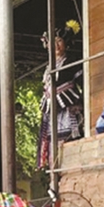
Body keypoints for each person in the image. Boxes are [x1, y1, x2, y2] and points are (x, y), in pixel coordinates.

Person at [38, 27, 84, 171]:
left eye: (59, 41)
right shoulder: (48, 66)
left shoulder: (71, 61)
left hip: (68, 107)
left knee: (68, 139)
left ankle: (70, 169)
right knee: (52, 142)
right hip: (52, 110)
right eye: (52, 42)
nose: (56, 45)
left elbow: (83, 82)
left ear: (66, 43)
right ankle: (54, 173)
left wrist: (81, 102)